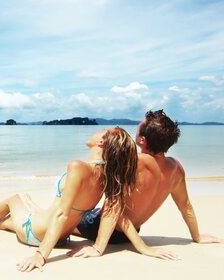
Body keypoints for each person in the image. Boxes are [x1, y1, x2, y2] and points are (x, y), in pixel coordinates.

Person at [0, 127, 141, 272]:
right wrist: (99, 248)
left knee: (18, 197)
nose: (95, 132)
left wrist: (40, 255)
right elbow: (113, 212)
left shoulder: (79, 167)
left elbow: (61, 214)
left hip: (39, 234)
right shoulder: (108, 176)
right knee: (15, 215)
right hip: (60, 237)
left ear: (102, 142)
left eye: (101, 131)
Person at [69, 110, 223, 260]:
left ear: (142, 140)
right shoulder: (176, 168)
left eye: (138, 125)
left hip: (100, 227)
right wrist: (197, 236)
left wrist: (98, 247)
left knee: (57, 216)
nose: (135, 127)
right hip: (131, 231)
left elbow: (113, 205)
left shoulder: (133, 161)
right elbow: (185, 206)